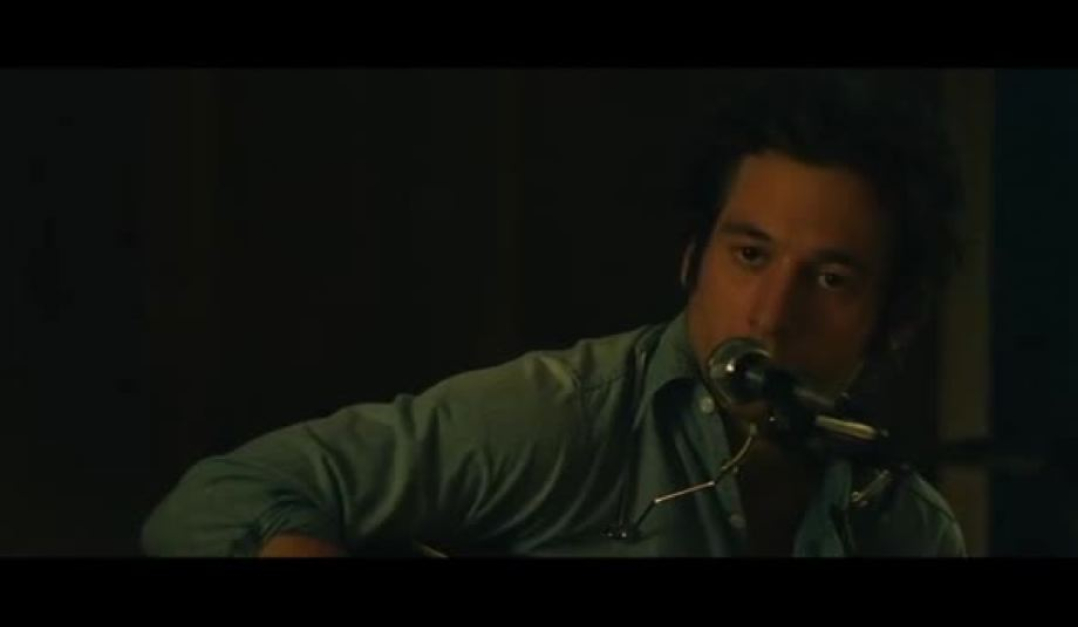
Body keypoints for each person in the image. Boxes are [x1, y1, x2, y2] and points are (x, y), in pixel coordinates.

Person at [142, 70, 967, 557]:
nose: (772, 313)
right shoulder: (564, 418)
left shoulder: (908, 527)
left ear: (894, 319)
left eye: (830, 278)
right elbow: (217, 497)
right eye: (750, 255)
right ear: (692, 259)